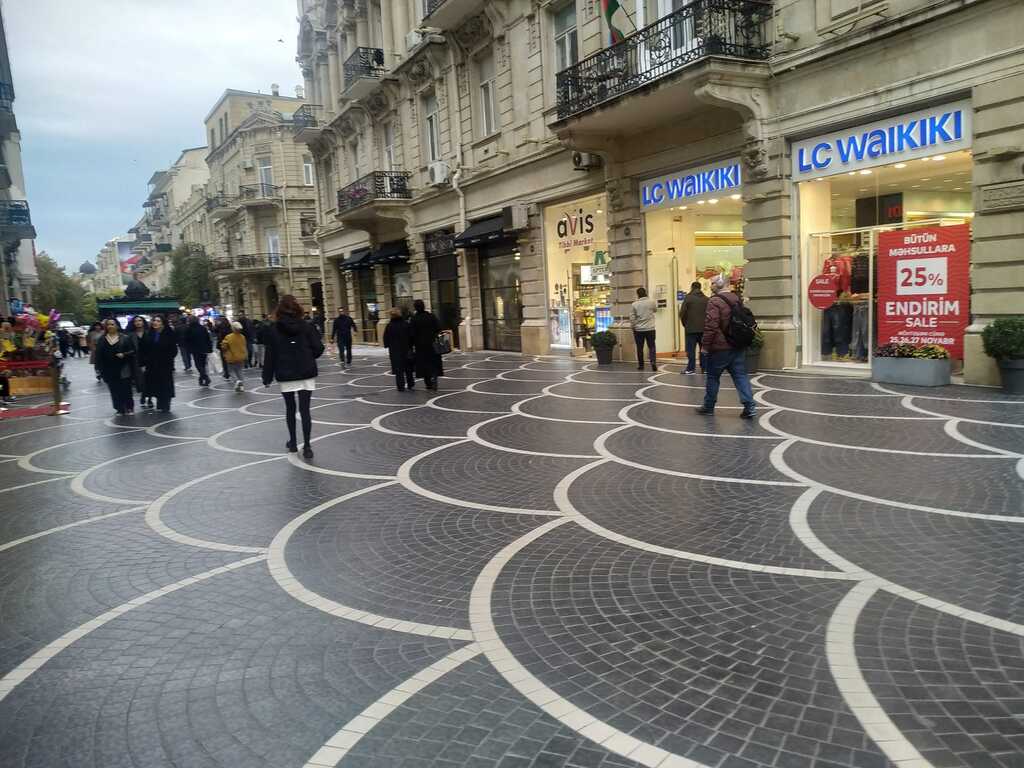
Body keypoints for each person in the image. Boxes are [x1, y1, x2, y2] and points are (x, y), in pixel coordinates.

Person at [262, 295, 324, 459]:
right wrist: (308, 356)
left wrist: (267, 377)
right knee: (305, 410)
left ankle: (293, 443)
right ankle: (308, 446)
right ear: (297, 309)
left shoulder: (274, 329)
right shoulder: (307, 326)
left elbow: (270, 355)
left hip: (285, 373)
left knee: (290, 409)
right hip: (306, 371)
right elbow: (318, 348)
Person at [696, 274, 756, 419]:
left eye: (712, 283)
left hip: (719, 347)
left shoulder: (714, 301)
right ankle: (749, 406)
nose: (711, 285)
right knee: (740, 375)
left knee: (713, 376)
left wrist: (705, 346)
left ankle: (708, 406)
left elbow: (711, 326)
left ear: (719, 284)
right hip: (736, 344)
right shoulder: (736, 298)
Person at [95, 318, 135, 415]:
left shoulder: (125, 338)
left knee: (126, 388)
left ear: (117, 326)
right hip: (109, 368)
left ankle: (129, 407)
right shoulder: (102, 339)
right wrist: (99, 368)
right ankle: (119, 408)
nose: (110, 326)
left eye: (112, 324)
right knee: (114, 389)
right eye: (108, 324)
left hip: (124, 367)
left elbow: (132, 351)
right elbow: (98, 355)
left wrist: (124, 354)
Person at [140, 316, 178, 413]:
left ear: (163, 323)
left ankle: (165, 404)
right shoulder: (149, 334)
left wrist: (167, 358)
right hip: (152, 365)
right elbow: (144, 349)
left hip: (165, 364)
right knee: (155, 384)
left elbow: (173, 350)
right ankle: (159, 403)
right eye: (154, 320)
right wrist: (144, 363)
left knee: (165, 384)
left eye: (158, 321)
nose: (155, 322)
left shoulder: (169, 334)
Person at [408, 299, 442, 391]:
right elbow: (439, 328)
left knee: (424, 364)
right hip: (432, 343)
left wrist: (411, 346)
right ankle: (434, 375)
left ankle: (428, 383)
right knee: (433, 362)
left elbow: (411, 334)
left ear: (415, 308)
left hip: (420, 346)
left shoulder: (414, 319)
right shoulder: (431, 316)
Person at [679, 281, 708, 375]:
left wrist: (685, 324)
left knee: (690, 350)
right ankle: (705, 368)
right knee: (703, 349)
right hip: (704, 329)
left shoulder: (688, 298)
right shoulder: (706, 299)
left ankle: (691, 369)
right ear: (700, 288)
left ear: (692, 287)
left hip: (691, 329)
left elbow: (682, 313)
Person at [382, 308, 414, 391]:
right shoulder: (406, 324)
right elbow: (411, 336)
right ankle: (410, 383)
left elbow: (385, 337)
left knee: (398, 369)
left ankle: (400, 386)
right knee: (408, 367)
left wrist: (387, 345)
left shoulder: (389, 326)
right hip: (406, 348)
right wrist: (411, 345)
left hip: (395, 350)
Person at [630, 287, 658, 371]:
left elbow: (632, 317)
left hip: (639, 329)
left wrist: (633, 326)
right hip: (650, 328)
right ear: (645, 293)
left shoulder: (634, 304)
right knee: (652, 346)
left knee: (640, 347)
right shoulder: (652, 302)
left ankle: (641, 365)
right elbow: (655, 310)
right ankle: (653, 362)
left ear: (638, 294)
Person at [128, 316, 151, 408]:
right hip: (137, 360)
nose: (138, 322)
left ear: (143, 322)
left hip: (150, 359)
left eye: (140, 320)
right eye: (136, 321)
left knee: (150, 379)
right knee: (141, 380)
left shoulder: (149, 333)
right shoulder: (130, 335)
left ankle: (149, 398)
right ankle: (144, 395)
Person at [185, 315, 213, 387]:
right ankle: (201, 379)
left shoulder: (189, 329)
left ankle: (205, 377)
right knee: (203, 364)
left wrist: (188, 349)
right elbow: (208, 338)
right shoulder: (202, 328)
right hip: (204, 348)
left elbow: (187, 340)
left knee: (198, 365)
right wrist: (210, 348)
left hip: (195, 349)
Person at [220, 321, 248, 392]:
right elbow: (244, 346)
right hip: (241, 356)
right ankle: (241, 386)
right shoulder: (242, 336)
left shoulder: (228, 337)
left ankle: (236, 381)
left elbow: (224, 347)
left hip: (232, 357)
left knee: (231, 371)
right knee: (240, 371)